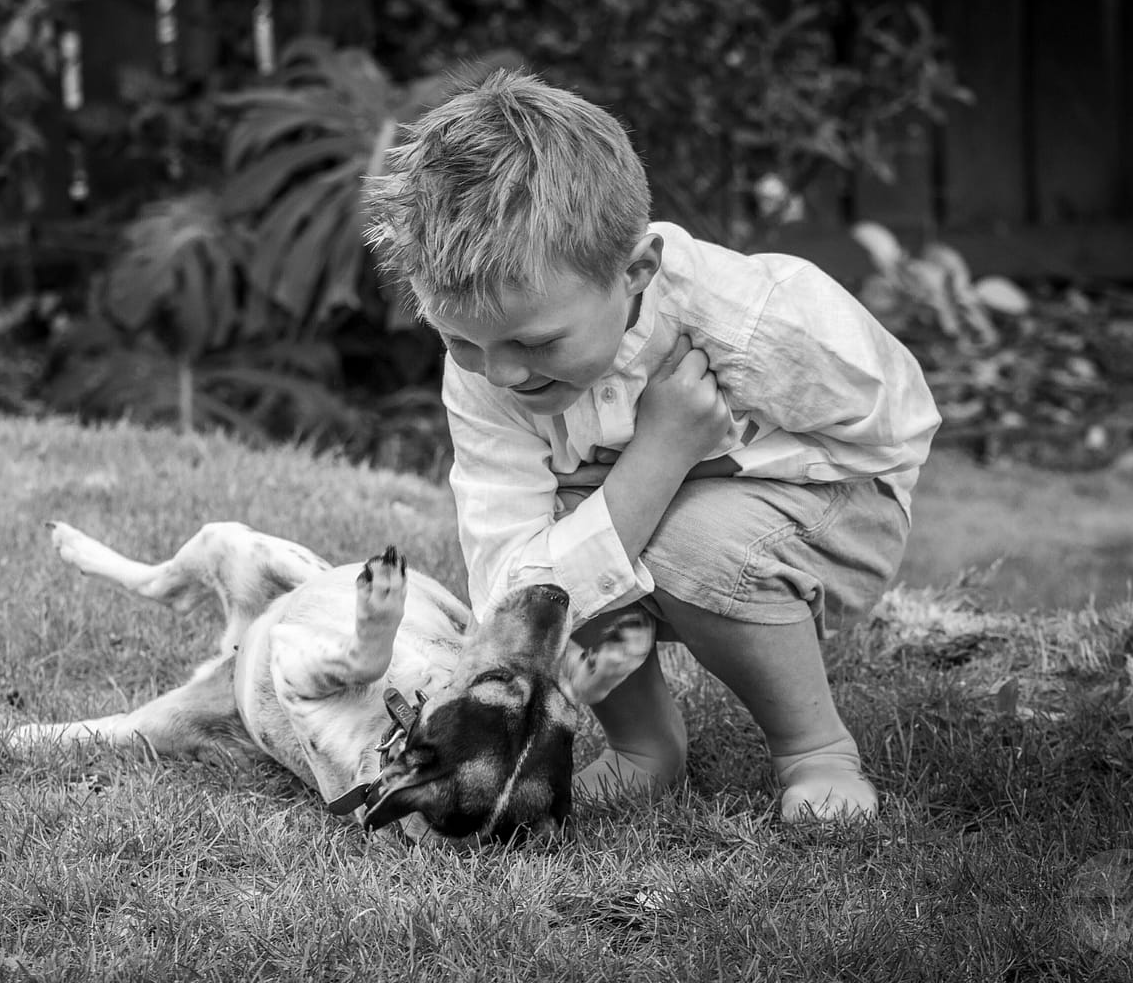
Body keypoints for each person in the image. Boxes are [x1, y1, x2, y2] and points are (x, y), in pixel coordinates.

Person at [363, 70, 940, 822]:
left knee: (689, 539)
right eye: (460, 342)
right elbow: (512, 592)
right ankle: (645, 748)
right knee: (559, 551)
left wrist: (718, 460)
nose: (499, 373)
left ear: (636, 270)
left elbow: (896, 421)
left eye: (536, 343)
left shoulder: (750, 322)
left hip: (835, 516)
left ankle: (816, 751)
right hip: (670, 513)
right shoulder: (487, 370)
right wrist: (660, 459)